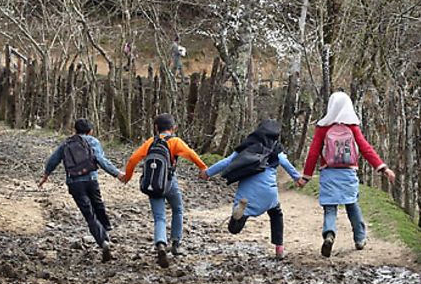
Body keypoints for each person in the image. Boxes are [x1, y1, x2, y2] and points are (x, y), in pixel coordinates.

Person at [298, 91, 396, 257]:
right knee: (352, 204)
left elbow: (313, 153)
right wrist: (382, 168)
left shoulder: (323, 128)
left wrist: (306, 176)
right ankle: (359, 238)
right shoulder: (352, 127)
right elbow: (366, 149)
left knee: (330, 208)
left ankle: (329, 234)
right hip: (348, 173)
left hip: (328, 173)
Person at [201, 119, 303, 259]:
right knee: (276, 214)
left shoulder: (248, 145)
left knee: (234, 229)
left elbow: (227, 161)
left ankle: (239, 213)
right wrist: (298, 178)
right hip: (269, 192)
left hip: (247, 193)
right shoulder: (276, 148)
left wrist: (207, 173)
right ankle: (279, 248)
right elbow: (285, 163)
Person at [120, 113, 208, 268]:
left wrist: (128, 176)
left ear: (155, 128)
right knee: (178, 210)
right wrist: (203, 168)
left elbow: (133, 159)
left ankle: (161, 243)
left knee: (159, 217)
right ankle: (175, 244)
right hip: (169, 182)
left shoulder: (150, 142)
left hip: (152, 184)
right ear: (173, 128)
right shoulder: (175, 142)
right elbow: (191, 155)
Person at [38, 118, 123, 262]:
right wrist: (117, 173)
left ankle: (103, 241)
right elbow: (101, 160)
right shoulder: (92, 141)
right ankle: (106, 231)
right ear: (90, 131)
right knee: (98, 205)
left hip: (74, 183)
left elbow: (53, 160)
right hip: (91, 180)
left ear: (74, 130)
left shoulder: (66, 143)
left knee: (89, 214)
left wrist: (46, 175)